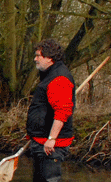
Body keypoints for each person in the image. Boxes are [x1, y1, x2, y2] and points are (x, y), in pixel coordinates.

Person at [26, 39, 75, 182]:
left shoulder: (59, 78)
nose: (35, 59)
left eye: (38, 56)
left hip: (52, 145)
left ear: (49, 57)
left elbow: (62, 111)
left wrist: (52, 138)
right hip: (42, 140)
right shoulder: (49, 75)